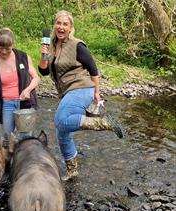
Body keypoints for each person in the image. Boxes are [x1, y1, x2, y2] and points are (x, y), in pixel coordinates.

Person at [38, 10, 124, 181]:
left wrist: (97, 94)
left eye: (65, 24)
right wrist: (44, 54)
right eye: (59, 23)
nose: (61, 27)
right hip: (67, 92)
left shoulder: (77, 45)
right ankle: (72, 169)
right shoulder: (53, 46)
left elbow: (93, 70)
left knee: (61, 120)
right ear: (55, 26)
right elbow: (44, 71)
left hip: (82, 88)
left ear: (71, 28)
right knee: (62, 132)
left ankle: (104, 122)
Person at [0, 28, 40, 142]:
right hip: (7, 105)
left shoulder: (23, 57)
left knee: (26, 138)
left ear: (13, 44)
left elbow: (36, 78)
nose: (4, 52)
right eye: (0, 48)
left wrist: (28, 90)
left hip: (25, 103)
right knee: (8, 139)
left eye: (7, 48)